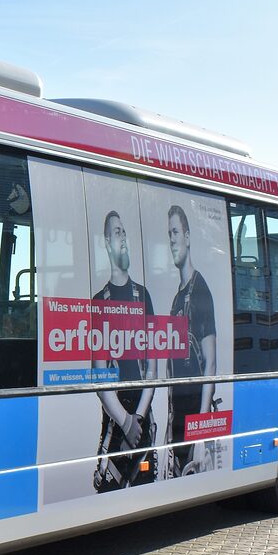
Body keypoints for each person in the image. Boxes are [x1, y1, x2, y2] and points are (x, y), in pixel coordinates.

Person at [92, 210, 156, 492]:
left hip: (142, 416)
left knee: (147, 482)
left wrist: (138, 419)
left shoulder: (144, 296)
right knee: (108, 488)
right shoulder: (99, 301)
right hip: (116, 418)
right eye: (117, 232)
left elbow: (153, 366)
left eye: (124, 232)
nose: (123, 238)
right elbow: (98, 375)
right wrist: (125, 421)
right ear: (107, 242)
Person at [166, 205, 217, 475]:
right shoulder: (177, 298)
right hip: (178, 420)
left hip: (193, 420)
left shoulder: (200, 289)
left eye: (176, 232)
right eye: (169, 234)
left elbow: (210, 365)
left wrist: (201, 434)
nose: (172, 239)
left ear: (187, 237)